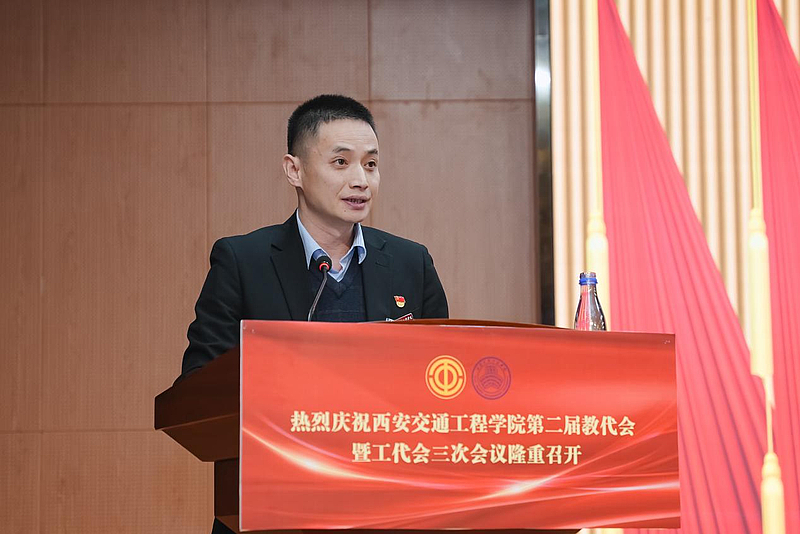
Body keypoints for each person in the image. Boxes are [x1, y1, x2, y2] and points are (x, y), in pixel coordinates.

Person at [177, 94, 449, 534]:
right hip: (273, 506)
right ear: (294, 170)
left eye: (371, 164)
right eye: (341, 163)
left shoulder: (409, 263)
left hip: (385, 505)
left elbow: (444, 384)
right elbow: (196, 389)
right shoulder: (243, 261)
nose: (360, 180)